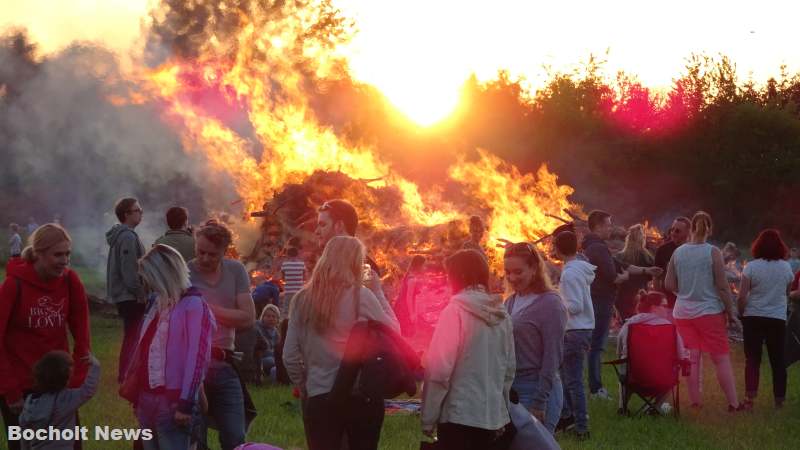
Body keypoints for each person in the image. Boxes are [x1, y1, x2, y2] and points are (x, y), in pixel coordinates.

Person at [283, 236, 399, 450]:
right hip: (359, 396)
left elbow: (289, 355)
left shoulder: (301, 299)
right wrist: (378, 291)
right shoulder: (361, 295)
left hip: (319, 396)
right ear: (355, 263)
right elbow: (394, 332)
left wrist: (304, 385)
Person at [0, 224, 91, 450]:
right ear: (38, 254)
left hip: (59, 385)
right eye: (57, 255)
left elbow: (82, 337)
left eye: (67, 254)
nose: (64, 261)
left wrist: (75, 383)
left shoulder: (70, 281)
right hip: (21, 391)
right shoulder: (13, 285)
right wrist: (10, 391)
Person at [421, 249, 515, 450]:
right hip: (491, 417)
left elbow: (439, 370)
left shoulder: (454, 311)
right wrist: (501, 413)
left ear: (459, 276)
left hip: (459, 414)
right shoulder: (503, 315)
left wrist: (428, 417)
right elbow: (508, 370)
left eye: (449, 276)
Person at [132, 244, 215, 450]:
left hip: (173, 402)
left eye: (150, 278)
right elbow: (144, 349)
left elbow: (197, 359)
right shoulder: (157, 303)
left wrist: (186, 403)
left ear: (163, 275)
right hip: (147, 398)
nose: (148, 285)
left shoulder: (194, 306)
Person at [665, 211, 745, 411]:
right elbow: (722, 286)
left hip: (682, 313)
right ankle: (734, 404)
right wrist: (730, 312)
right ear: (709, 229)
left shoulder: (679, 252)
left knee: (692, 358)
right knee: (720, 358)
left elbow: (668, 283)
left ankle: (695, 402)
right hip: (709, 312)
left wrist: (683, 292)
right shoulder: (713, 252)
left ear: (691, 229)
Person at [188, 220, 256, 450]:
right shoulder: (185, 273)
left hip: (225, 362)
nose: (205, 259)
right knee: (197, 439)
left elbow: (248, 318)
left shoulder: (235, 270)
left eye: (212, 254)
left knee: (235, 436)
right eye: (201, 252)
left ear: (225, 252)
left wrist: (206, 308)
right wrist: (229, 314)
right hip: (193, 366)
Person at [581, 210, 661, 401]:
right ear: (598, 226)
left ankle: (592, 386)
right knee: (597, 346)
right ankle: (596, 388)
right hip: (601, 301)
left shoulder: (594, 246)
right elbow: (614, 276)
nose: (611, 228)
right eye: (608, 224)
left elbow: (620, 263)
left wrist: (646, 269)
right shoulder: (598, 248)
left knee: (593, 345)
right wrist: (624, 278)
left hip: (597, 300)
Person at [503, 242, 566, 433]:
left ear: (534, 268)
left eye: (518, 271)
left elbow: (552, 357)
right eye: (508, 272)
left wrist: (540, 401)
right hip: (512, 389)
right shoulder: (510, 302)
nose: (512, 277)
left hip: (537, 388)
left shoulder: (550, 304)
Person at [736, 229, 794, 409]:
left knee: (752, 359)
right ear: (780, 247)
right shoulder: (786, 267)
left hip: (753, 316)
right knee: (778, 360)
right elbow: (787, 293)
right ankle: (779, 401)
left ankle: (750, 399)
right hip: (776, 318)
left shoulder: (751, 267)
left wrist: (741, 313)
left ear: (757, 246)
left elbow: (742, 296)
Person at [616, 290, 685, 413]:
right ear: (654, 308)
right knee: (674, 373)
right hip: (661, 379)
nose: (667, 309)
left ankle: (622, 407)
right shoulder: (669, 328)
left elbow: (619, 351)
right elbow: (681, 355)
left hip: (633, 379)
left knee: (624, 367)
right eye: (664, 305)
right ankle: (655, 407)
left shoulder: (629, 325)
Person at [553, 231, 594, 439]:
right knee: (564, 375)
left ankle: (581, 426)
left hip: (574, 330)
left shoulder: (570, 273)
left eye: (553, 246)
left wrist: (556, 301)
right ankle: (568, 416)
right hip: (581, 329)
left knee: (573, 380)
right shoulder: (578, 269)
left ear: (558, 249)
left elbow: (575, 306)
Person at [19, 352, 100, 450]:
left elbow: (24, 432)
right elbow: (88, 390)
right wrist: (95, 365)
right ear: (66, 379)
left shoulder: (30, 402)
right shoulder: (66, 399)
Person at [106, 197, 147, 383]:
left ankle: (127, 373)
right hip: (129, 296)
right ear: (126, 214)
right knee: (133, 335)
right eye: (137, 210)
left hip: (126, 295)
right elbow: (129, 271)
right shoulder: (128, 237)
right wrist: (141, 294)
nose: (141, 213)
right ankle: (126, 374)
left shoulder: (124, 235)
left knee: (131, 334)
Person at [615, 224, 655, 321]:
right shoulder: (647, 257)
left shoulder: (620, 257)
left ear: (628, 238)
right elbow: (650, 278)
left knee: (624, 327)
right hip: (641, 296)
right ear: (642, 239)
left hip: (622, 297)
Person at [653, 217, 691, 308]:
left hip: (689, 300)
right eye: (672, 230)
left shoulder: (694, 250)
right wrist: (658, 297)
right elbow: (656, 277)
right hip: (669, 300)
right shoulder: (662, 250)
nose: (673, 233)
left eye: (677, 231)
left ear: (688, 232)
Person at [394, 255, 426, 337]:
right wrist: (412, 314)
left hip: (400, 305)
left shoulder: (409, 275)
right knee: (407, 334)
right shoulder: (412, 280)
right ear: (419, 266)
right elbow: (408, 298)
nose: (424, 268)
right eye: (423, 265)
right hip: (405, 308)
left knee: (402, 333)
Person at [255, 305, 280, 383]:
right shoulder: (257, 328)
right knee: (272, 361)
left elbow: (278, 349)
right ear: (262, 317)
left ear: (277, 319)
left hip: (271, 358)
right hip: (259, 359)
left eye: (273, 316)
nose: (271, 319)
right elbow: (264, 349)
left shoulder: (275, 332)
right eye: (268, 316)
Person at [279, 246, 306, 318]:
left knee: (286, 311)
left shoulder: (285, 264)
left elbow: (283, 278)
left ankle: (285, 326)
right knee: (298, 310)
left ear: (288, 255)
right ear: (297, 254)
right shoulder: (302, 264)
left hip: (288, 291)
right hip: (299, 292)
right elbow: (304, 277)